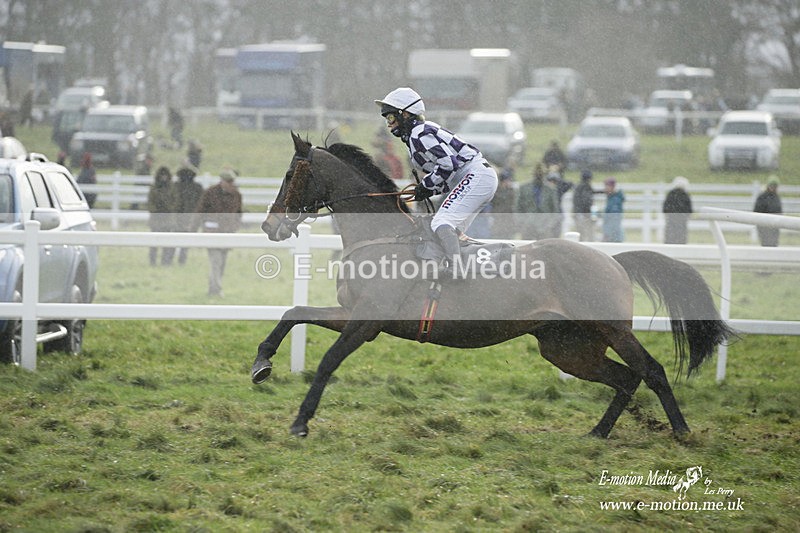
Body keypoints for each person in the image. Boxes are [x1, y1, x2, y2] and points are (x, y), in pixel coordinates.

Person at [374, 87, 498, 275]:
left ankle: (456, 269)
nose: (389, 124)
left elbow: (449, 164)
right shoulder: (416, 134)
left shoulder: (419, 134)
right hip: (475, 176)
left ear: (405, 114)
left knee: (442, 222)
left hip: (476, 175)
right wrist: (428, 190)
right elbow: (448, 172)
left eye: (390, 118)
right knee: (449, 230)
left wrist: (425, 186)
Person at [193, 168, 243, 297]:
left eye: (232, 181)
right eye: (229, 181)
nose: (231, 184)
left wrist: (235, 227)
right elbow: (200, 211)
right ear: (222, 181)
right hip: (212, 233)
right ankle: (216, 290)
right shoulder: (210, 193)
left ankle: (213, 288)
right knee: (216, 262)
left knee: (222, 263)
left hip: (227, 234)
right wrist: (194, 229)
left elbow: (239, 214)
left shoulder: (237, 195)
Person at [171, 163, 204, 265]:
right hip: (184, 217)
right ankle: (180, 260)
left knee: (175, 240)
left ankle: (173, 260)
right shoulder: (197, 187)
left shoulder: (176, 186)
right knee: (182, 241)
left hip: (184, 217)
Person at [516, 163, 559, 240]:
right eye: (537, 174)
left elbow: (555, 210)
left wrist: (549, 224)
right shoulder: (524, 188)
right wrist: (522, 223)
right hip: (528, 225)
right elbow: (518, 207)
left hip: (544, 227)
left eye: (541, 174)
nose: (539, 176)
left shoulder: (550, 189)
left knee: (544, 250)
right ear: (533, 174)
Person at [147, 166, 175, 266]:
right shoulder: (154, 187)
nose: (164, 177)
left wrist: (168, 209)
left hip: (167, 219)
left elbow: (174, 202)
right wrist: (156, 210)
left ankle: (165, 262)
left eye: (165, 175)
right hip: (156, 218)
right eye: (162, 175)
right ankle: (152, 261)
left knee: (166, 242)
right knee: (154, 242)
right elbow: (150, 203)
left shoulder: (172, 188)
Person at [662, 176, 693, 244]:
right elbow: (689, 209)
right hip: (682, 221)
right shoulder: (685, 195)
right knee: (681, 236)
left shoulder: (671, 194)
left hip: (671, 220)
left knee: (670, 236)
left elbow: (665, 208)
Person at [754, 176, 782, 247]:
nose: (773, 187)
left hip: (775, 227)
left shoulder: (776, 197)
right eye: (772, 185)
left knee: (774, 244)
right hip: (764, 226)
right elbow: (757, 211)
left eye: (775, 186)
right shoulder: (762, 197)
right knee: (766, 244)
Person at [546, 165, 573, 238]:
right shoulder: (545, 191)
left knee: (556, 235)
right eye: (550, 181)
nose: (552, 183)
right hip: (548, 216)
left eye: (554, 181)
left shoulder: (558, 190)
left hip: (557, 215)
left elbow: (570, 184)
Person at [572, 170, 596, 242]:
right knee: (586, 234)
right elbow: (586, 201)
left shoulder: (579, 187)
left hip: (579, 213)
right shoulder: (585, 187)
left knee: (581, 233)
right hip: (584, 214)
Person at [602, 177, 625, 243]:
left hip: (613, 235)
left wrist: (608, 234)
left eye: (607, 186)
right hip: (612, 234)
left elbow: (614, 219)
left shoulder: (615, 200)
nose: (605, 188)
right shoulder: (612, 198)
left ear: (612, 187)